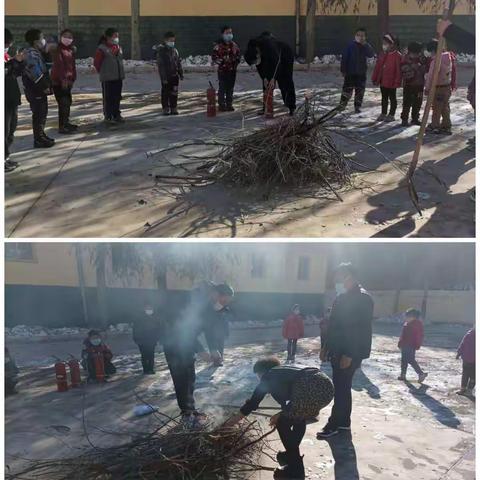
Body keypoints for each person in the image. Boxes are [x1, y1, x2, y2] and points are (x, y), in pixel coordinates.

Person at [224, 357, 334, 479]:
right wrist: (284, 412)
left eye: (258, 375)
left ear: (263, 372)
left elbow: (252, 404)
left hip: (309, 388)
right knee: (297, 417)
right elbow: (291, 407)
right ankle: (291, 455)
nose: (259, 379)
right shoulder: (284, 373)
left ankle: (295, 470)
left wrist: (228, 425)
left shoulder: (269, 376)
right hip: (327, 387)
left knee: (282, 422)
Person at [162, 282, 234, 424]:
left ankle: (190, 409)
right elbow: (183, 330)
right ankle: (186, 413)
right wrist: (200, 350)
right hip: (174, 344)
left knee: (190, 378)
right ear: (215, 294)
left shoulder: (210, 307)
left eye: (226, 302)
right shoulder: (194, 304)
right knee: (181, 379)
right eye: (223, 300)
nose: (223, 304)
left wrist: (213, 348)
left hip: (187, 345)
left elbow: (210, 330)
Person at [317, 263, 373, 438]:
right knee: (342, 387)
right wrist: (325, 347)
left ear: (353, 277)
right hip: (337, 349)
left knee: (341, 388)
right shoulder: (341, 297)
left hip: (350, 352)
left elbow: (360, 329)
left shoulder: (362, 299)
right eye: (337, 277)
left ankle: (334, 424)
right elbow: (333, 326)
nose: (338, 281)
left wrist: (350, 354)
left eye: (342, 277)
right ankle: (344, 423)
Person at [22, 28, 55, 148]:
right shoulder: (30, 54)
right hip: (35, 88)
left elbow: (47, 66)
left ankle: (41, 135)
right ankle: (38, 139)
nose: (44, 40)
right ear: (36, 41)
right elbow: (35, 73)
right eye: (42, 38)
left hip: (38, 87)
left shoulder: (37, 52)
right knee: (39, 113)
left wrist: (47, 54)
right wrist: (44, 86)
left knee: (43, 112)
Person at [339, 27, 375, 114]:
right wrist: (343, 70)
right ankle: (342, 105)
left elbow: (371, 54)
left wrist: (365, 44)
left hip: (361, 73)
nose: (360, 37)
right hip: (350, 72)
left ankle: (357, 106)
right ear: (355, 36)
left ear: (365, 37)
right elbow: (344, 58)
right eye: (358, 35)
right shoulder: (350, 45)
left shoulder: (365, 46)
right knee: (347, 90)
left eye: (362, 36)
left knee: (360, 91)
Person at [425, 39, 457, 135]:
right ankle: (446, 125)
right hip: (446, 87)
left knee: (436, 108)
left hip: (438, 87)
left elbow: (432, 76)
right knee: (445, 107)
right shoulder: (448, 57)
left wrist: (427, 88)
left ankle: (435, 125)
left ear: (433, 51)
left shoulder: (436, 61)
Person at [94, 28, 125, 124]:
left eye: (117, 36)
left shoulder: (118, 47)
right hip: (108, 78)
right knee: (108, 98)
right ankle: (108, 115)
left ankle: (116, 114)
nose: (116, 38)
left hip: (118, 76)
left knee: (117, 96)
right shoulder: (102, 48)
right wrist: (103, 72)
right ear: (108, 37)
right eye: (115, 36)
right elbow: (97, 63)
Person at [5, 28, 25, 172]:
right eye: (5, 43)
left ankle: (5, 157)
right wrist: (12, 63)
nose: (7, 47)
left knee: (10, 129)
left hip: (11, 98)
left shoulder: (6, 56)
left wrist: (18, 62)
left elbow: (14, 74)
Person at [51, 29, 78, 134]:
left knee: (67, 102)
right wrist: (63, 79)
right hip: (59, 81)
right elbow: (59, 66)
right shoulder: (58, 50)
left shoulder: (70, 50)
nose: (68, 38)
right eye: (65, 36)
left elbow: (72, 66)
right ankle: (62, 126)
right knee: (63, 103)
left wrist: (72, 78)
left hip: (68, 81)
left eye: (70, 36)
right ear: (61, 37)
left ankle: (66, 123)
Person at [372, 33, 402, 122]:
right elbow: (378, 67)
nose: (384, 45)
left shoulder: (397, 55)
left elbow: (398, 70)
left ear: (392, 44)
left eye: (386, 43)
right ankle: (383, 113)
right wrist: (375, 78)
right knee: (384, 98)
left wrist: (397, 81)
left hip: (392, 82)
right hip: (383, 81)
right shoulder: (382, 54)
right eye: (383, 43)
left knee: (392, 98)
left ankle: (391, 114)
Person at [212, 26, 241, 112]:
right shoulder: (218, 46)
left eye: (230, 33)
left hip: (232, 71)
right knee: (222, 88)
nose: (229, 35)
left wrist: (234, 61)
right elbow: (214, 58)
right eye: (227, 33)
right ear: (223, 34)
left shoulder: (234, 45)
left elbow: (238, 56)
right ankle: (222, 105)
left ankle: (229, 104)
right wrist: (223, 61)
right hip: (223, 71)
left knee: (230, 88)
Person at [154, 32, 184, 116]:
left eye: (173, 40)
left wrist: (180, 73)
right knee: (166, 93)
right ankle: (165, 108)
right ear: (166, 40)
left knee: (174, 92)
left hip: (175, 75)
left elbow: (178, 62)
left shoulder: (175, 51)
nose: (172, 42)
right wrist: (163, 78)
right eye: (170, 40)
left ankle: (174, 107)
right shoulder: (161, 51)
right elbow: (161, 66)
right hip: (166, 76)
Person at [400, 41, 427, 127]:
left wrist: (421, 67)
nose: (419, 54)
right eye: (417, 53)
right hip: (409, 85)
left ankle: (415, 118)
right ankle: (404, 119)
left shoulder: (421, 59)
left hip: (419, 85)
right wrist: (414, 67)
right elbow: (404, 71)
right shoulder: (405, 59)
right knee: (407, 102)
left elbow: (425, 69)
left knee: (418, 102)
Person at [397, 308, 427, 383]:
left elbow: (419, 336)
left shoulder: (416, 325)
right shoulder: (407, 324)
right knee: (404, 360)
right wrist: (400, 343)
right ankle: (403, 375)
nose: (405, 318)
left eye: (407, 316)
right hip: (405, 345)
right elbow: (403, 335)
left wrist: (417, 345)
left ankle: (421, 374)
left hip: (410, 345)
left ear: (413, 317)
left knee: (410, 360)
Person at [133, 304, 163, 374]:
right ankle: (146, 369)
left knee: (151, 355)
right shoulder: (139, 319)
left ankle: (151, 369)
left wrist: (157, 338)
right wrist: (137, 339)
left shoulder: (154, 318)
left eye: (150, 308)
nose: (149, 310)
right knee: (144, 355)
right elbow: (135, 330)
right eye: (148, 308)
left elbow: (157, 329)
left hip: (151, 340)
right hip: (142, 341)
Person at [456, 327, 475, 396]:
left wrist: (458, 353)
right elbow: (463, 344)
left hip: (466, 358)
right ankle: (469, 390)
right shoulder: (469, 334)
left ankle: (463, 389)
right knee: (474, 376)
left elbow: (462, 344)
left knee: (465, 375)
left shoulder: (469, 334)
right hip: (473, 360)